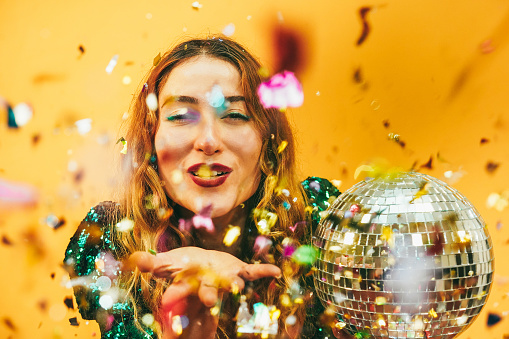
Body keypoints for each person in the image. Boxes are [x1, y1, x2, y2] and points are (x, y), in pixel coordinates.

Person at [63, 35, 344, 338]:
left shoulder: (322, 222)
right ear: (150, 140)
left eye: (235, 115)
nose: (208, 141)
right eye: (181, 116)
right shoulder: (112, 238)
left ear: (269, 139)